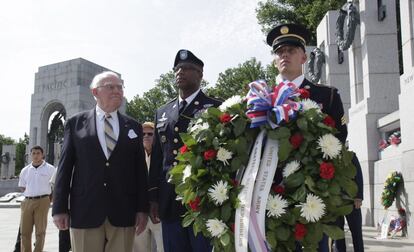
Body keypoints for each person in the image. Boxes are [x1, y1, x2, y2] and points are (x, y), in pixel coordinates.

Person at [266, 23, 348, 252]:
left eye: (291, 50)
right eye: (279, 52)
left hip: (312, 193)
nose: (284, 55)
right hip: (270, 192)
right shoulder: (261, 98)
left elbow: (339, 139)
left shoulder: (327, 95)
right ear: (274, 60)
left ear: (304, 57)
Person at [52, 71, 149, 252]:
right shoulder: (75, 124)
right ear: (95, 92)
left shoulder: (134, 126)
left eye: (120, 87)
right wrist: (59, 208)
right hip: (85, 210)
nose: (117, 91)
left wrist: (142, 209)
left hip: (123, 211)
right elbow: (64, 168)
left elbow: (140, 171)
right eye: (110, 87)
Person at [148, 49, 222, 252]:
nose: (180, 72)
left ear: (200, 74)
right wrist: (153, 197)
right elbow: (157, 157)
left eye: (188, 68)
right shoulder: (162, 112)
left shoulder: (216, 107)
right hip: (169, 201)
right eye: (177, 69)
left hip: (203, 201)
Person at [18, 145, 56, 252]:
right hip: (27, 202)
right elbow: (22, 186)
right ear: (30, 155)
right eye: (33, 153)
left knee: (40, 231)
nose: (35, 156)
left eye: (38, 153)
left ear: (42, 154)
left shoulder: (50, 169)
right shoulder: (25, 170)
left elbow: (56, 185)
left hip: (43, 201)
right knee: (24, 231)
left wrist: (51, 198)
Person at [134, 122, 164, 252]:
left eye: (150, 134)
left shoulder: (164, 157)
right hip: (139, 213)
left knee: (163, 248)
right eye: (143, 134)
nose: (146, 136)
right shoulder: (133, 156)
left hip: (159, 214)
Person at [333, 154, 364, 252]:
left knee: (356, 232)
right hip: (335, 202)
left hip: (352, 201)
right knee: (338, 234)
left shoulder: (351, 156)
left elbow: (358, 175)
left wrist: (359, 197)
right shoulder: (328, 156)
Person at [50, 169, 72, 252]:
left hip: (83, 208)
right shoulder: (63, 165)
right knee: (64, 236)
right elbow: (55, 185)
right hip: (66, 208)